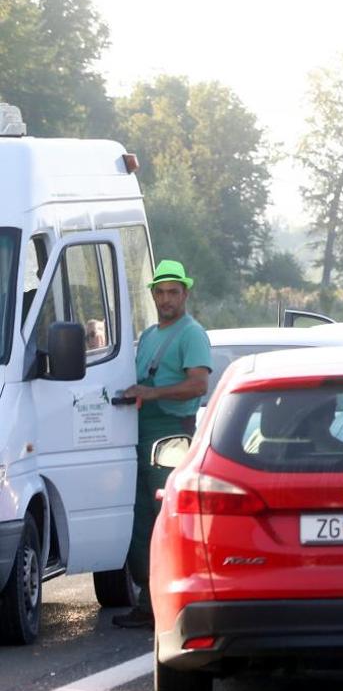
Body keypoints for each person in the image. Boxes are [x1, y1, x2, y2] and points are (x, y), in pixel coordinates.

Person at [112, 260, 212, 629]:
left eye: (173, 291)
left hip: (171, 433)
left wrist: (151, 392)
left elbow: (199, 385)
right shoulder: (150, 334)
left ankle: (170, 602)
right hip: (141, 431)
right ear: (152, 294)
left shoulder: (191, 334)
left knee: (165, 519)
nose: (166, 298)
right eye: (160, 292)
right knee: (139, 519)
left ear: (185, 293)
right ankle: (148, 602)